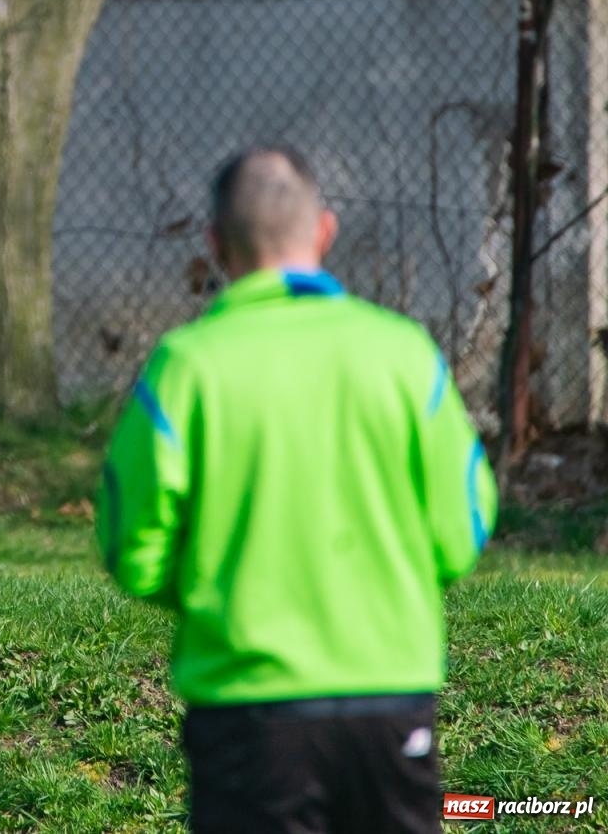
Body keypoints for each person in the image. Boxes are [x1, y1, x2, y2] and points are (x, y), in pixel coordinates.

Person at [97, 146, 498, 833]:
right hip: (389, 692)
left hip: (248, 706)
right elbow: (463, 527)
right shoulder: (403, 353)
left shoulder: (186, 366)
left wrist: (207, 590)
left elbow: (130, 541)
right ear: (325, 231)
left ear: (215, 244)